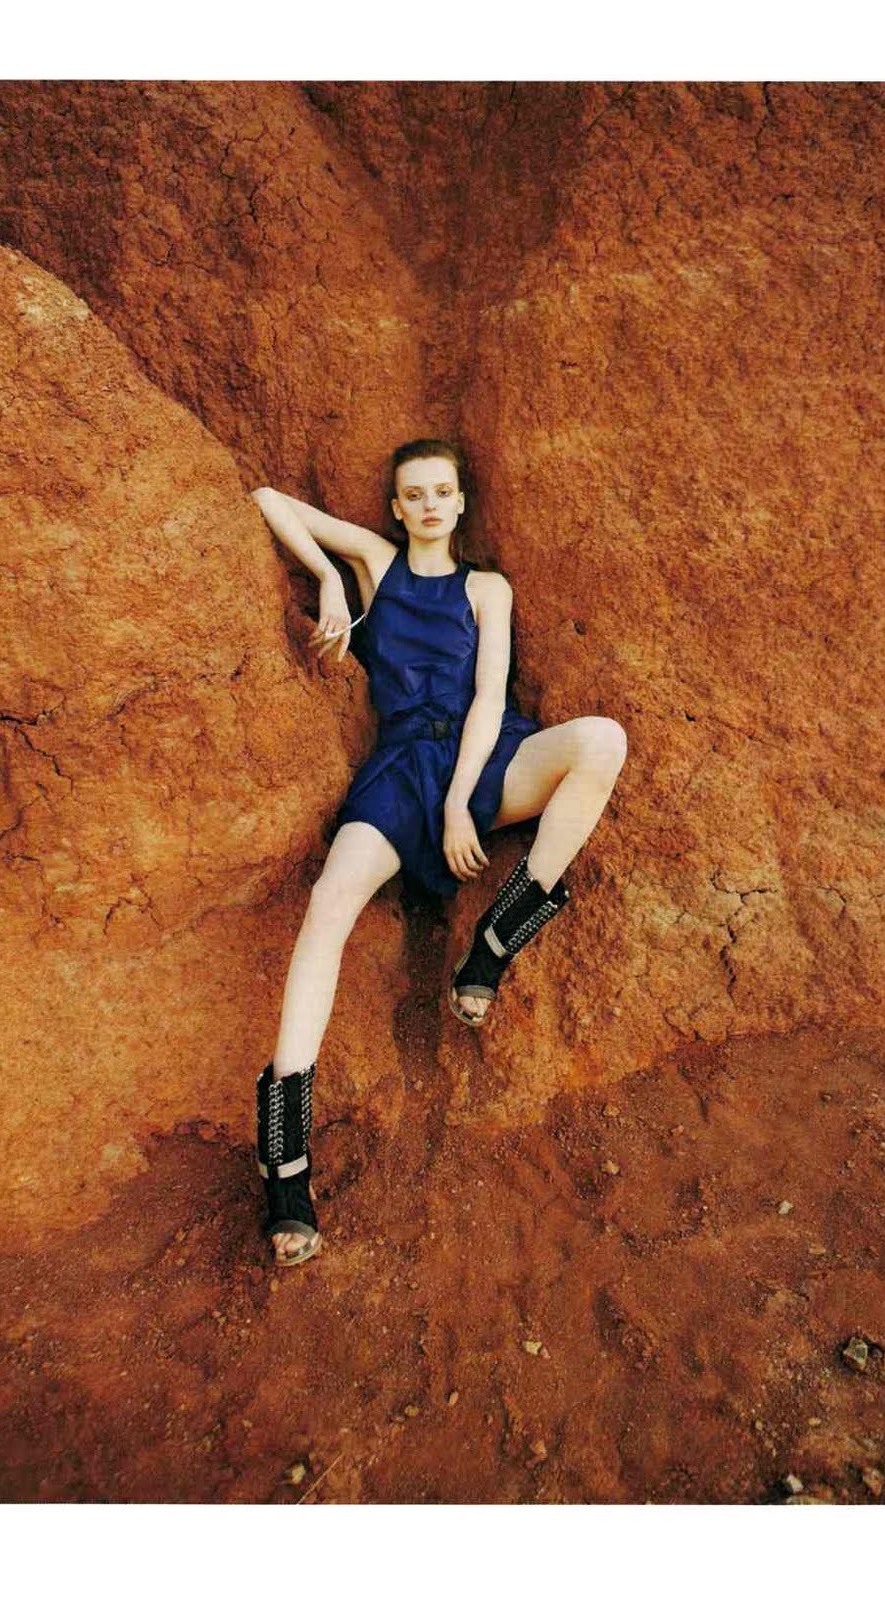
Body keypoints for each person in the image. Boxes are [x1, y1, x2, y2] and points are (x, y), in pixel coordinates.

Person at [249, 439, 628, 1265]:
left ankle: (494, 944)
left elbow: (490, 696)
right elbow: (268, 500)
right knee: (328, 905)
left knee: (602, 740)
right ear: (396, 507)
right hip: (398, 770)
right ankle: (285, 1160)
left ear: (460, 503)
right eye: (413, 494)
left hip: (481, 757)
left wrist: (461, 804)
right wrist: (328, 576)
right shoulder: (376, 563)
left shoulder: (488, 589)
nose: (428, 505)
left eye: (441, 492)